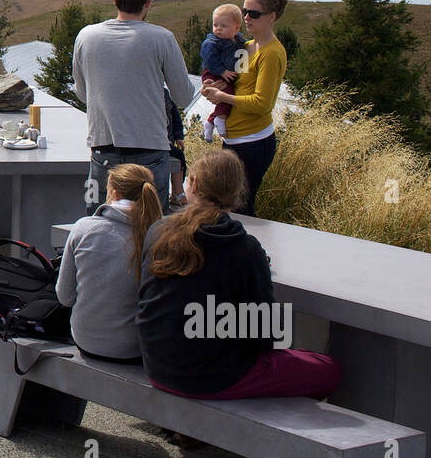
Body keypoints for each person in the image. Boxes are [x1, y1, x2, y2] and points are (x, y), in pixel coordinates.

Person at [137, 150, 339, 400]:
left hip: (158, 367)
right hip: (213, 378)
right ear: (236, 192)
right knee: (327, 370)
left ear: (195, 184)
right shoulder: (244, 248)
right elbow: (265, 336)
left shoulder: (158, 231)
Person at [72, 0, 194, 216]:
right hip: (150, 150)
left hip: (103, 149)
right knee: (151, 227)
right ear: (148, 2)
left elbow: (83, 94)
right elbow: (183, 96)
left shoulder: (87, 36)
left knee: (97, 220)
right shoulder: (162, 39)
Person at [55, 163, 163, 363]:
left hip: (86, 340)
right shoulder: (158, 237)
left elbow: (65, 297)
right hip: (135, 347)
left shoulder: (83, 229)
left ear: (113, 193)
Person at [200, 0, 289, 217]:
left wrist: (222, 97)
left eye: (254, 13)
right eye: (245, 11)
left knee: (240, 210)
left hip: (253, 142)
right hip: (235, 139)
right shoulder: (246, 47)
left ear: (271, 17)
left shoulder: (271, 53)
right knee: (229, 208)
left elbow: (262, 103)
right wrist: (212, 87)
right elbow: (236, 84)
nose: (246, 17)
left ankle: (252, 253)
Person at [200, 3, 246, 142]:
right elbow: (209, 60)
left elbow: (241, 60)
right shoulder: (212, 42)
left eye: (223, 26)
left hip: (227, 74)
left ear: (237, 28)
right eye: (215, 25)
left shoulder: (239, 42)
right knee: (228, 94)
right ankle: (219, 119)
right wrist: (223, 71)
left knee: (229, 96)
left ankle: (210, 121)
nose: (218, 29)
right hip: (213, 73)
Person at [164, 89, 187, 207]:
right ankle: (178, 192)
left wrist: (179, 137)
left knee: (179, 155)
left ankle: (177, 193)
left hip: (167, 141)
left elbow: (175, 117)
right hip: (155, 140)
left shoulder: (166, 94)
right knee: (179, 155)